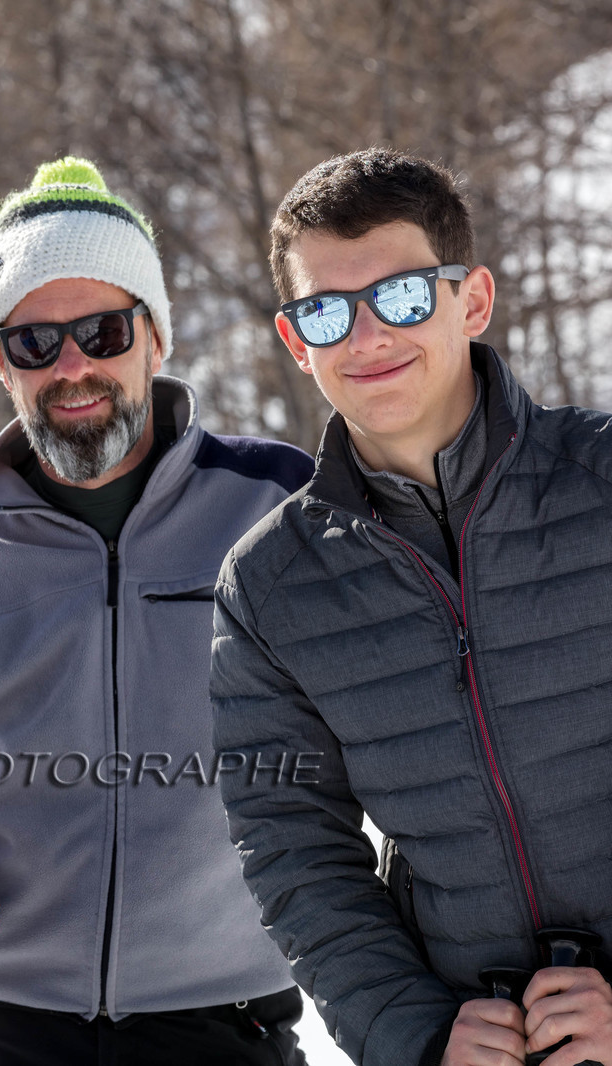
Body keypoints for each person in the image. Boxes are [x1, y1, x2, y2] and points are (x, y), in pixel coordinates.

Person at [0, 158, 313, 1065]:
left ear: (155, 338)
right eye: (34, 342)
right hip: (7, 1024)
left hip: (229, 1021)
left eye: (102, 331)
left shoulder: (280, 507)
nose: (72, 367)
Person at [212, 147, 612, 1066]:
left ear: (471, 300)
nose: (365, 338)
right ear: (294, 338)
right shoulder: (272, 588)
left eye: (398, 296)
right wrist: (417, 1036)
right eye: (325, 310)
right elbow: (295, 852)